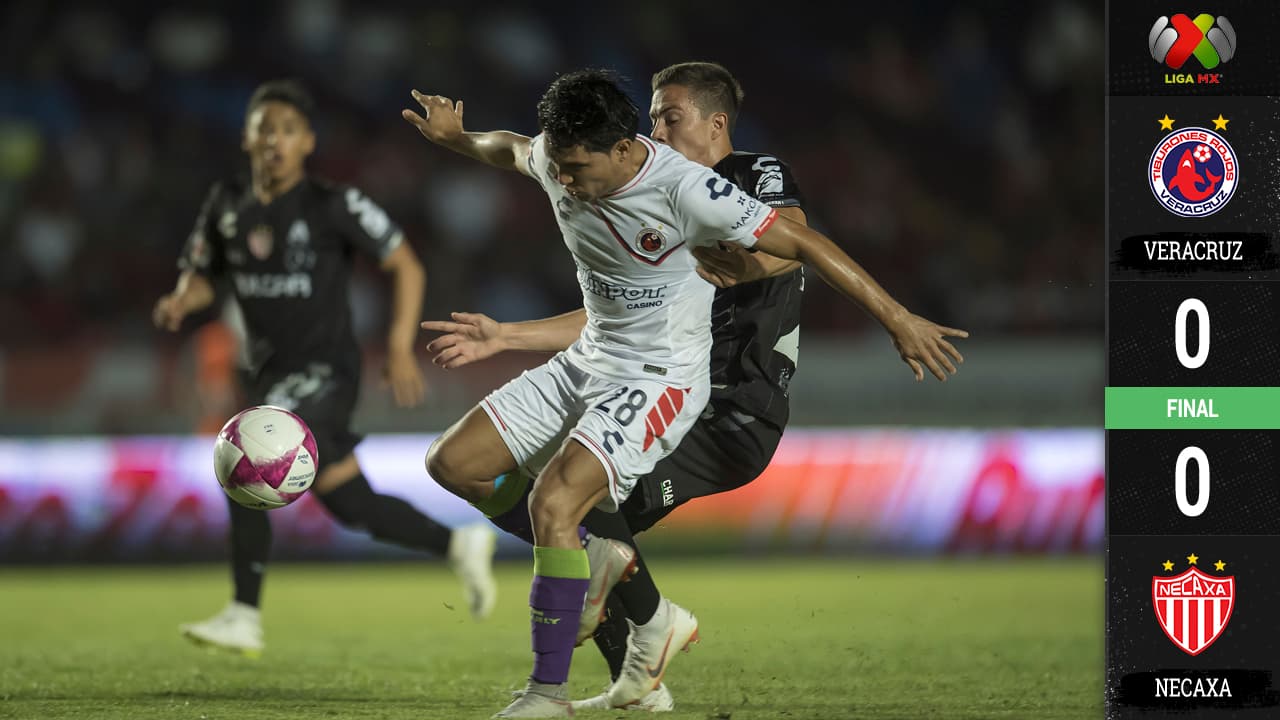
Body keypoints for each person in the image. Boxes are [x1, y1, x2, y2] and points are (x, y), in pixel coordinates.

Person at [402, 68, 965, 718]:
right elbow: (511, 150)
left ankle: (551, 690)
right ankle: (640, 641)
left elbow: (799, 241)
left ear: (624, 149)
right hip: (594, 361)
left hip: (687, 389)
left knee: (564, 505)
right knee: (461, 467)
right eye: (655, 118)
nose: (566, 182)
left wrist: (898, 318)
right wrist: (456, 139)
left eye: (671, 117)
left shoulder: (696, 189)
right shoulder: (561, 160)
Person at [153, 79, 497, 658]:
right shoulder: (227, 204)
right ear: (248, 139)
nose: (275, 141)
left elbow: (405, 264)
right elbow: (203, 276)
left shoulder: (333, 203)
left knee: (248, 451)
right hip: (265, 373)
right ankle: (458, 545)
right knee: (352, 504)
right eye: (265, 129)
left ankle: (243, 614)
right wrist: (180, 301)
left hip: (325, 371)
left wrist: (397, 347)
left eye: (288, 131)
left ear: (307, 142)